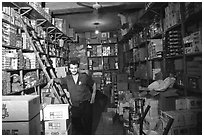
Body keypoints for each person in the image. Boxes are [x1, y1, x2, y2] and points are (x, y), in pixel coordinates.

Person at [47, 58, 96, 135]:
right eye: (72, 68)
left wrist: (93, 96)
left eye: (75, 68)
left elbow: (93, 84)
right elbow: (59, 80)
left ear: (78, 68)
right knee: (76, 124)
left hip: (86, 103)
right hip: (75, 105)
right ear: (69, 69)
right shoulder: (68, 79)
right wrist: (53, 80)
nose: (74, 70)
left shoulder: (84, 77)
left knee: (88, 124)